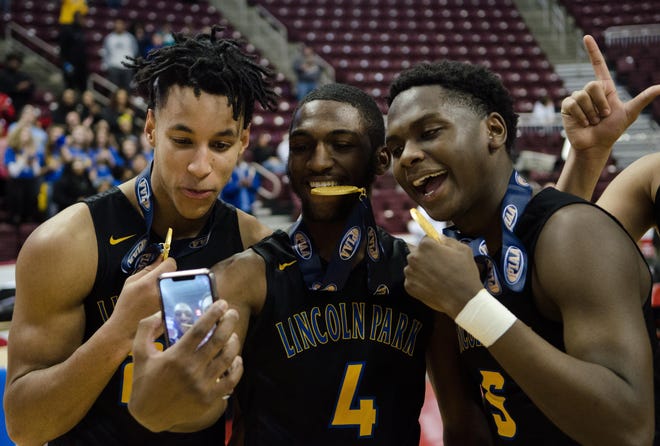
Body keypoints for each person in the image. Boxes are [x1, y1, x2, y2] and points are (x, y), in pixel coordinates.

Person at [3, 26, 278, 445]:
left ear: (243, 142)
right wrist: (118, 332)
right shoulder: (65, 243)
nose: (201, 166)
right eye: (182, 140)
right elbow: (25, 427)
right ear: (151, 128)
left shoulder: (256, 247)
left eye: (220, 145)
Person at [127, 83, 442, 444]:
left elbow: (460, 416)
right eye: (302, 147)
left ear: (380, 160)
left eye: (342, 145)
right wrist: (157, 399)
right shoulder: (242, 277)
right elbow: (186, 412)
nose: (319, 161)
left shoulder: (418, 274)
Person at [384, 43, 657, 444]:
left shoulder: (573, 233)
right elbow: (464, 428)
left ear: (494, 130)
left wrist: (470, 304)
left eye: (429, 133)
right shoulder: (456, 261)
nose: (407, 156)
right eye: (394, 150)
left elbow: (627, 430)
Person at [101, 19, 139, 90]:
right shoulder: (109, 38)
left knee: (127, 89)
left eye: (121, 24)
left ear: (124, 26)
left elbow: (135, 50)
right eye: (117, 24)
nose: (119, 26)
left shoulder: (130, 37)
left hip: (127, 67)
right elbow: (105, 52)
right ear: (115, 26)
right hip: (114, 66)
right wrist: (106, 65)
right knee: (114, 89)